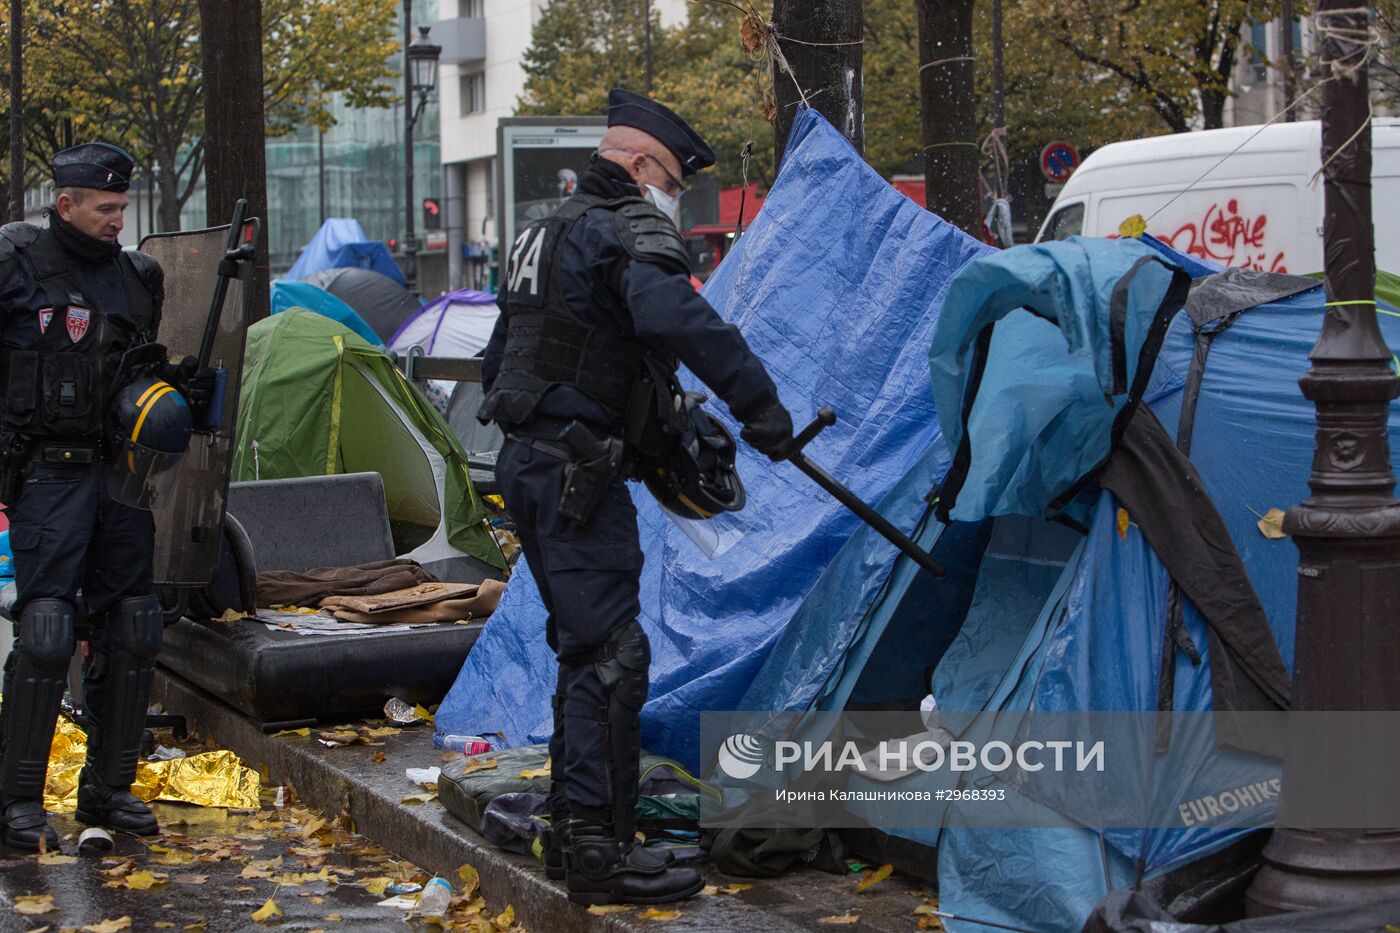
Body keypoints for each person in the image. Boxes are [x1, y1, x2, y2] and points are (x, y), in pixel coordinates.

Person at [479, 89, 794, 905]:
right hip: (578, 476)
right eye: (673, 181)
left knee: (585, 649)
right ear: (645, 165)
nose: (673, 198)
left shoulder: (540, 233)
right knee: (612, 656)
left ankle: (575, 832)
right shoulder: (627, 227)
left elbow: (505, 360)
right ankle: (596, 851)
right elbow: (676, 316)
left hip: (530, 464)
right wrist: (761, 405)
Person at [0, 143, 210, 850]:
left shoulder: (137, 278)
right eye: (106, 208)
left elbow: (135, 369)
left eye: (123, 207)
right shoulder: (15, 263)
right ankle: (17, 801)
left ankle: (109, 788)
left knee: (137, 623)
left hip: (120, 476)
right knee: (48, 628)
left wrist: (181, 390)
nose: (119, 219)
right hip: (47, 474)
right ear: (66, 204)